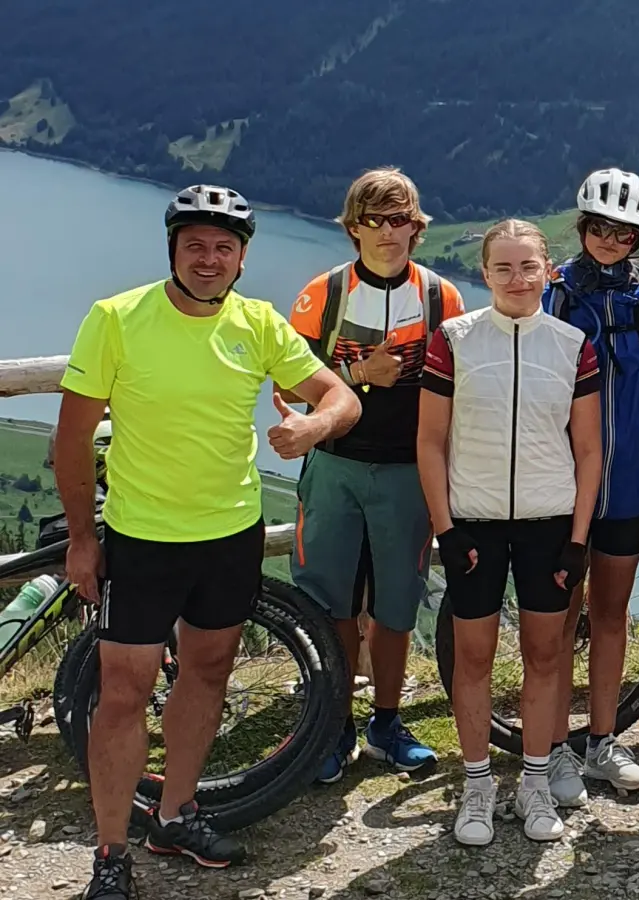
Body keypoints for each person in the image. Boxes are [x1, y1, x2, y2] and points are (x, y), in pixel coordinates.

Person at [57, 185, 360, 900]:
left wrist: (310, 429)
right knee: (124, 695)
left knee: (207, 674)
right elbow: (71, 441)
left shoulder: (257, 325)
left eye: (224, 247)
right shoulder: (117, 319)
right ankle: (109, 853)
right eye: (195, 244)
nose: (209, 258)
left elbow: (341, 397)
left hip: (229, 535)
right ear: (173, 249)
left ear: (243, 259)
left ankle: (174, 814)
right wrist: (79, 539)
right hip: (142, 537)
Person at [417, 220, 602, 845]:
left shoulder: (575, 344)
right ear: (485, 273)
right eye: (503, 268)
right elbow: (430, 442)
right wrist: (445, 527)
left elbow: (588, 452)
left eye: (529, 267)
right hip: (474, 521)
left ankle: (533, 782)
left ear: (549, 271)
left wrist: (578, 540)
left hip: (549, 523)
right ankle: (475, 786)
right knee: (472, 658)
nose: (517, 279)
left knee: (545, 657)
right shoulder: (453, 340)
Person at [284, 168, 465, 783]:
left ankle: (386, 724)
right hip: (335, 465)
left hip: (408, 471)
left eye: (402, 220)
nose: (389, 233)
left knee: (396, 606)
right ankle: (333, 725)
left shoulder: (443, 297)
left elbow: (454, 384)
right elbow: (288, 382)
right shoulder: (322, 294)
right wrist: (361, 375)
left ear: (418, 228)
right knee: (328, 601)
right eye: (374, 221)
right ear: (353, 227)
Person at [542, 167, 639, 804]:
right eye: (599, 228)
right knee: (557, 615)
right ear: (582, 227)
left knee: (610, 614)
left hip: (627, 482)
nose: (609, 241)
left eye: (624, 234)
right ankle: (548, 750)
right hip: (561, 480)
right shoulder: (555, 293)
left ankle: (600, 741)